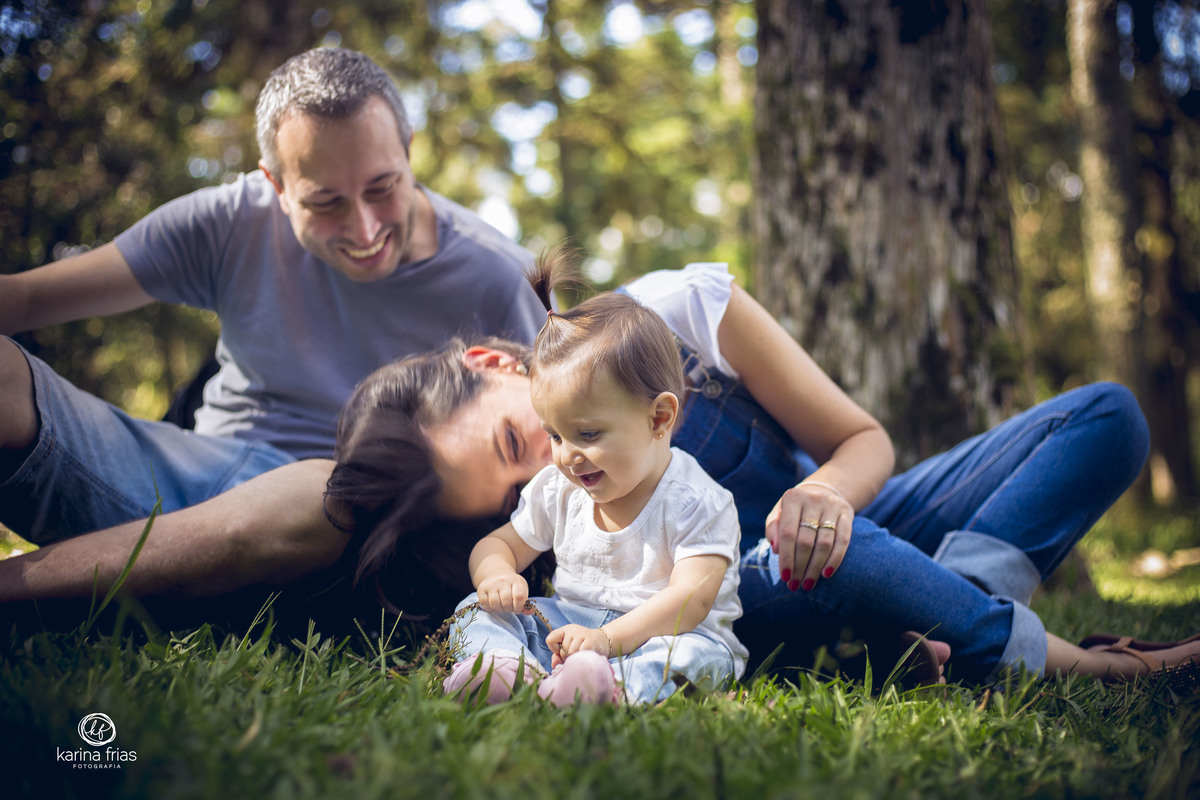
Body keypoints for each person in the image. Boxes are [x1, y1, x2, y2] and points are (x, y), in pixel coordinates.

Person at [2, 262, 1196, 687]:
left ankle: (952, 610)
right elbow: (264, 524)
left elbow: (864, 436)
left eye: (520, 440)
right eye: (527, 481)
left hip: (839, 507)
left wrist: (831, 493)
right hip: (751, 574)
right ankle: (977, 629)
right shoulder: (538, 512)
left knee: (1103, 418)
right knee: (805, 568)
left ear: (492, 359)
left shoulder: (684, 307)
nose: (560, 463)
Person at [0, 47, 545, 546]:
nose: (364, 229)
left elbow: (568, 439)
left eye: (383, 188)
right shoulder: (234, 221)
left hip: (344, 520)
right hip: (194, 473)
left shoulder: (499, 275)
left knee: (317, 499)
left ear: (407, 152)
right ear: (277, 185)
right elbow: (22, 300)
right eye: (325, 202)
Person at [440, 254, 747, 706]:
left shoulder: (697, 502)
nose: (566, 455)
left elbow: (689, 602)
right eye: (554, 434)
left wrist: (607, 640)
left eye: (587, 434)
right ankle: (505, 670)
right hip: (574, 624)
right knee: (475, 608)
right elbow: (497, 545)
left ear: (658, 417)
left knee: (688, 657)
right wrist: (497, 575)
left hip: (665, 631)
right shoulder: (558, 488)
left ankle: (606, 690)